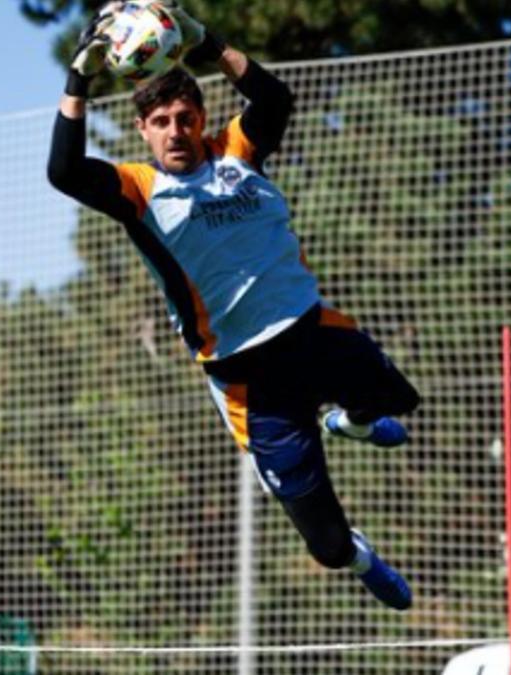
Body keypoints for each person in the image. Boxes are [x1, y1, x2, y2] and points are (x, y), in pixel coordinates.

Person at [47, 1, 418, 610]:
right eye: (161, 121)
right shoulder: (137, 191)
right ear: (143, 130)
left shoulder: (236, 154)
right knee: (326, 547)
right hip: (251, 385)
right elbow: (64, 170)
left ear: (202, 119)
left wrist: (206, 41)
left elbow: (275, 99)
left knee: (399, 401)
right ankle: (362, 556)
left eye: (185, 117)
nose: (174, 130)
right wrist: (80, 74)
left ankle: (348, 422)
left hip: (313, 333)